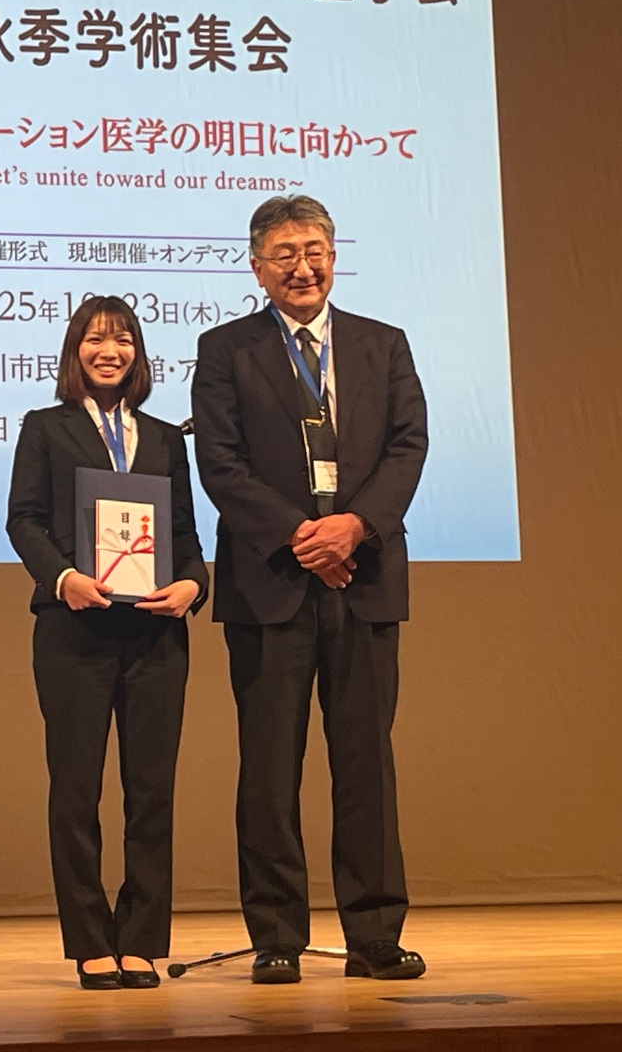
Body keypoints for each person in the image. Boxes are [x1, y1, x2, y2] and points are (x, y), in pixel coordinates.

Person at [191, 195, 429, 984]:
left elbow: (407, 447)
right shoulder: (225, 349)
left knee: (367, 765)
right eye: (286, 252)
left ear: (334, 255)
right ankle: (276, 937)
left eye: (316, 248)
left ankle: (375, 937)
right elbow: (220, 465)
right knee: (269, 770)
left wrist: (354, 527)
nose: (304, 265)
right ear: (258, 268)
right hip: (271, 586)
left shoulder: (382, 345)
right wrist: (304, 537)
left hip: (365, 581)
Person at [6, 296, 209, 990]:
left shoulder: (161, 436)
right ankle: (91, 940)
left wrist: (192, 586)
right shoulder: (46, 428)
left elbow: (185, 538)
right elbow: (24, 520)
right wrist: (63, 578)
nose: (110, 351)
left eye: (123, 340)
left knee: (152, 792)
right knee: (77, 791)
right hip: (75, 633)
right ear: (75, 352)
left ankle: (143, 938)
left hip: (156, 635)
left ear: (138, 355)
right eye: (96, 339)